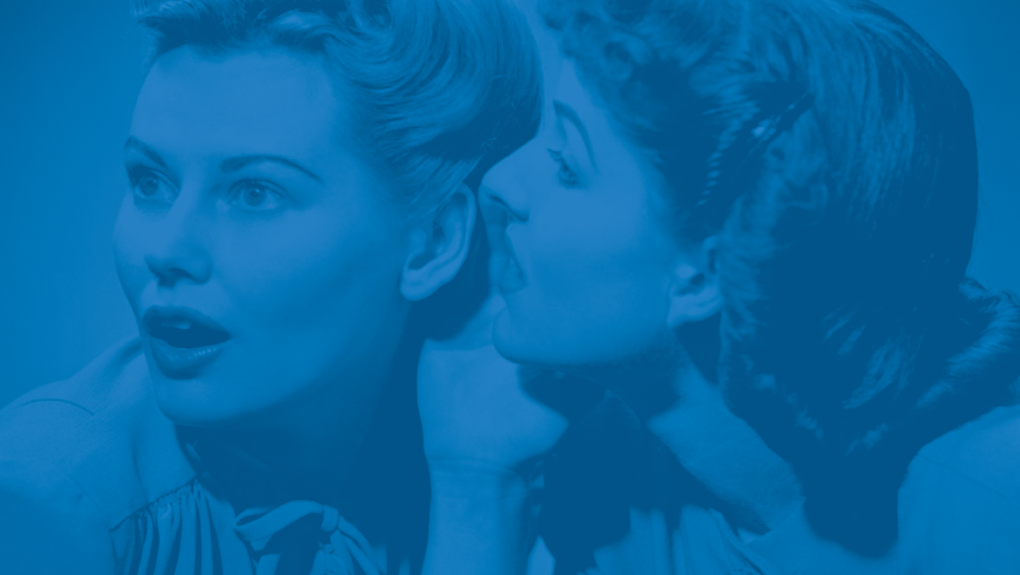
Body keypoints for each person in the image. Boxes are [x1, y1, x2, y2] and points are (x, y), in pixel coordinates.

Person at [418, 0, 1020, 573]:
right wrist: (475, 484)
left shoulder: (995, 514)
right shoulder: (611, 480)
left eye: (567, 165)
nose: (499, 182)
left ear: (705, 271)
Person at [0, 0, 540, 573]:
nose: (166, 250)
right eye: (151, 181)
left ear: (434, 242)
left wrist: (476, 490)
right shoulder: (44, 502)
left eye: (255, 193)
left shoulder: (505, 450)